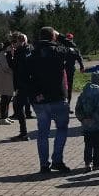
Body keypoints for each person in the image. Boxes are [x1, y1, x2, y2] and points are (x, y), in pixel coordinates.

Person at [24, 26, 71, 174]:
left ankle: (44, 164)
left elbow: (24, 78)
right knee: (61, 129)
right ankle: (57, 160)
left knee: (42, 132)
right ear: (53, 37)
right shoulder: (59, 51)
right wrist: (62, 37)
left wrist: (34, 94)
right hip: (57, 97)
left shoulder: (31, 54)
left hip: (40, 100)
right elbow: (74, 50)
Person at [74, 71, 99, 172]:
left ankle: (87, 163)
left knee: (88, 144)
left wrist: (83, 119)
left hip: (86, 124)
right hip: (97, 123)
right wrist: (94, 119)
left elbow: (78, 108)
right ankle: (97, 164)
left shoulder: (84, 91)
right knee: (97, 144)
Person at [8, 31, 32, 141]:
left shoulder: (19, 52)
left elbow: (14, 67)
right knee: (21, 104)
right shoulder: (30, 50)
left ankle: (24, 133)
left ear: (19, 41)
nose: (14, 44)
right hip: (29, 82)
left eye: (15, 41)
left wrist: (10, 55)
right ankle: (24, 132)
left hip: (21, 83)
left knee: (17, 105)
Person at [0, 37, 16, 124]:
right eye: (12, 46)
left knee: (8, 98)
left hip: (8, 79)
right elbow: (6, 67)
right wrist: (15, 70)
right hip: (4, 79)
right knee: (5, 99)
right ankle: (2, 118)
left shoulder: (8, 54)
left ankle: (6, 116)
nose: (13, 48)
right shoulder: (3, 54)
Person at [62, 33, 84, 107]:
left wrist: (82, 66)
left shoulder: (63, 48)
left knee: (67, 87)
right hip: (65, 70)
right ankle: (65, 104)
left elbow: (79, 58)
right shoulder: (72, 49)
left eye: (70, 39)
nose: (69, 40)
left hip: (67, 70)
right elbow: (79, 58)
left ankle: (67, 104)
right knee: (66, 87)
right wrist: (81, 66)